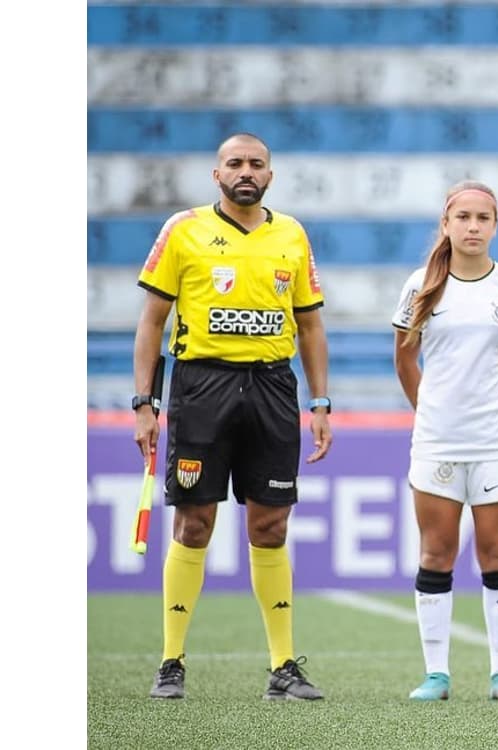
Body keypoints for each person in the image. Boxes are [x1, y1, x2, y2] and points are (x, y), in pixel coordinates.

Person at [133, 132, 332, 701]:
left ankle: (283, 667)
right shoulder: (184, 229)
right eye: (235, 163)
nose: (246, 171)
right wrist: (144, 403)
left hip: (272, 388)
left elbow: (312, 324)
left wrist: (319, 403)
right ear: (216, 173)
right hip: (202, 388)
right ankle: (171, 661)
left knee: (270, 526)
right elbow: (151, 321)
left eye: (257, 163)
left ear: (270, 174)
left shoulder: (291, 234)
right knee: (194, 523)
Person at [392, 180, 498, 703]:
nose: (473, 226)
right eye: (464, 217)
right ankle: (437, 673)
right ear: (446, 224)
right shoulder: (419, 286)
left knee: (497, 552)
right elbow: (406, 361)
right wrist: (431, 409)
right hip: (436, 441)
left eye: (484, 218)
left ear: (496, 226)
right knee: (437, 552)